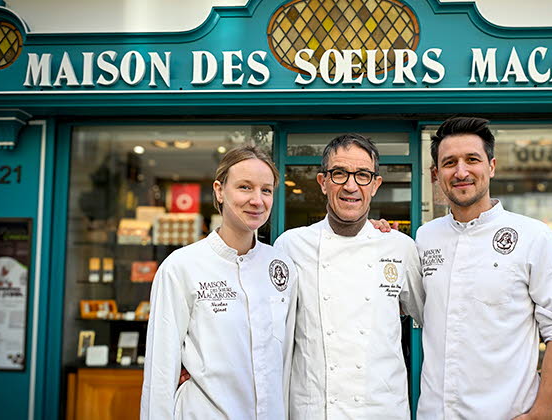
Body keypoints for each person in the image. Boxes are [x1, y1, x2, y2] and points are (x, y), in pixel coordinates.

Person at [414, 117, 552, 420]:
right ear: (436, 175)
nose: (461, 171)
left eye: (472, 159)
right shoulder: (425, 237)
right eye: (449, 162)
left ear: (491, 166)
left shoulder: (533, 235)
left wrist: (542, 413)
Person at [140, 146, 297, 419]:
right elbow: (160, 370)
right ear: (219, 190)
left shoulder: (282, 267)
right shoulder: (181, 267)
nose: (257, 200)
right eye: (245, 187)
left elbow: (285, 363)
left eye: (266, 190)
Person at [274, 133, 423, 419]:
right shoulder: (290, 246)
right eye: (339, 174)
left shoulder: (400, 247)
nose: (351, 186)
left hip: (381, 409)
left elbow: (431, 318)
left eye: (363, 175)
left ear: (376, 184)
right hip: (315, 408)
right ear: (323, 182)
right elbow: (269, 330)